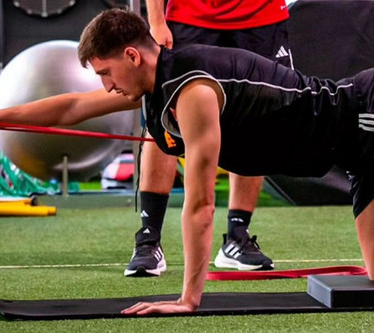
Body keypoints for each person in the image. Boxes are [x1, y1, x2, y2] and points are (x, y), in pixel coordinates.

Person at [0, 9, 374, 316]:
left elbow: (200, 204)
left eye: (105, 73)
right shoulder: (150, 90)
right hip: (361, 152)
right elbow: (72, 105)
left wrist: (189, 297)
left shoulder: (193, 91)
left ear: (131, 54)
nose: (103, 87)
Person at [125, 0, 292, 277]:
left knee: (257, 120)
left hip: (262, 18)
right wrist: (155, 20)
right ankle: (148, 237)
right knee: (165, 119)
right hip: (190, 18)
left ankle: (238, 234)